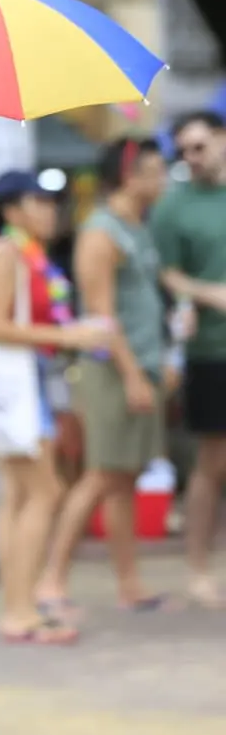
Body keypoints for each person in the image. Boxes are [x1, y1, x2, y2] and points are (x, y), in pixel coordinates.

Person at [0, 170, 114, 644]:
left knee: (22, 495)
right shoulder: (6, 252)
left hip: (29, 385)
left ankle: (21, 606)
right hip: (18, 389)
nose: (51, 210)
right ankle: (20, 611)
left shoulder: (27, 254)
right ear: (12, 209)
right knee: (45, 492)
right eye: (40, 200)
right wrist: (69, 335)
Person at [38, 138, 170, 615]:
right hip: (110, 370)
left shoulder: (139, 226)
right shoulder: (101, 233)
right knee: (99, 476)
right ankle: (51, 580)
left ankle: (129, 582)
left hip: (143, 365)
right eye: (153, 171)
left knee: (124, 478)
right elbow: (101, 314)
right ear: (128, 176)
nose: (160, 180)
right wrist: (133, 375)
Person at [150, 109, 226, 607]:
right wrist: (209, 294)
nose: (191, 159)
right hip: (210, 350)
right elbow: (167, 275)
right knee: (211, 462)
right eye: (183, 151)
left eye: (199, 147)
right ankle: (198, 567)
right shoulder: (172, 207)